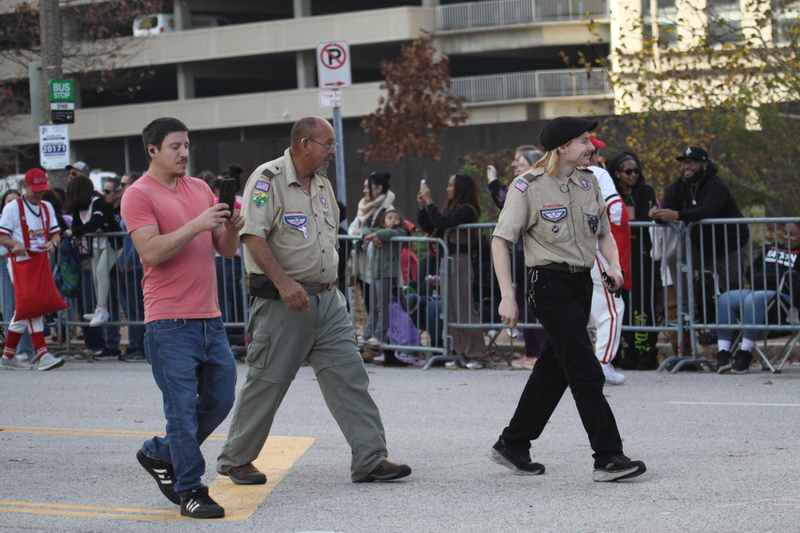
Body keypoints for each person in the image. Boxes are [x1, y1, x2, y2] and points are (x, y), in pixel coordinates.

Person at [216, 116, 410, 488]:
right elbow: (253, 236)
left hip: (327, 298)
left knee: (350, 377)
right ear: (304, 144)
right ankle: (237, 459)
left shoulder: (322, 185)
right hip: (282, 300)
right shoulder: (268, 179)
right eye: (328, 144)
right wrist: (285, 282)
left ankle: (370, 458)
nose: (332, 152)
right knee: (268, 381)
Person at [489, 116, 646, 482]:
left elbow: (604, 232)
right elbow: (501, 240)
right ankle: (608, 456)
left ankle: (513, 443)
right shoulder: (528, 187)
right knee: (585, 369)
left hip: (579, 283)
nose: (590, 146)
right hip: (548, 283)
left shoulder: (589, 181)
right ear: (562, 148)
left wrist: (615, 265)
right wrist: (507, 296)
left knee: (553, 369)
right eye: (582, 140)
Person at [123, 117, 244, 519]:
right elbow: (152, 253)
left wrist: (231, 229)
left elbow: (224, 251)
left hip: (210, 316)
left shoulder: (200, 189)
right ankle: (190, 488)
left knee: (220, 398)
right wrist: (197, 225)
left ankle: (159, 453)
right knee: (181, 410)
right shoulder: (138, 195)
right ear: (153, 150)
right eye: (175, 146)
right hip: (168, 321)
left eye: (187, 145)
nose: (184, 153)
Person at [650, 146, 749, 291]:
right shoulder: (679, 185)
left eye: (692, 163)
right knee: (676, 261)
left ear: (704, 165)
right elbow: (668, 209)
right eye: (684, 163)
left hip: (729, 243)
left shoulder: (716, 185)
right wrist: (657, 215)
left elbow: (708, 211)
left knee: (729, 284)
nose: (686, 167)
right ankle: (686, 310)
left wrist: (678, 215)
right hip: (699, 242)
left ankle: (729, 312)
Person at [486, 146, 548, 370]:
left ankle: (540, 354)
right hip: (521, 255)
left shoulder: (535, 186)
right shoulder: (521, 186)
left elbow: (504, 200)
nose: (514, 166)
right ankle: (531, 352)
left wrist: (493, 182)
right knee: (524, 304)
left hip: (537, 255)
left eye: (519, 163)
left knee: (535, 307)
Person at [418, 173, 489, 369]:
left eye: (451, 186)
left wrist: (430, 201)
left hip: (460, 261)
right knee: (450, 308)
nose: (448, 189)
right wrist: (423, 207)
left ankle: (477, 354)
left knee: (463, 307)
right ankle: (459, 352)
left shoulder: (468, 210)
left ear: (460, 189)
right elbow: (431, 225)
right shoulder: (451, 208)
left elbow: (442, 222)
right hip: (446, 260)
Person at [0, 169, 65, 371]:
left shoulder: (47, 207)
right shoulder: (12, 208)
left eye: (42, 190)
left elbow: (56, 235)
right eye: (35, 190)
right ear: (25, 187)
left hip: (40, 261)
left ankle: (8, 355)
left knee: (26, 307)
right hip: (19, 262)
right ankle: (43, 354)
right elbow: (2, 236)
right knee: (31, 305)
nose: (39, 194)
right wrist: (14, 244)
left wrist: (53, 245)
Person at [715, 222, 800, 374]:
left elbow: (791, 279)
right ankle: (724, 353)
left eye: (792, 234)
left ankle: (745, 352)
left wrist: (762, 278)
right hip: (759, 291)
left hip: (783, 300)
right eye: (785, 233)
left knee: (755, 297)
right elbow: (751, 269)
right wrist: (760, 278)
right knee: (726, 298)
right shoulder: (771, 248)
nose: (786, 237)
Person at [608, 152, 661, 370]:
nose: (634, 175)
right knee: (621, 302)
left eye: (636, 171)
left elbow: (643, 218)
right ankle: (627, 349)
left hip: (641, 253)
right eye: (628, 171)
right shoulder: (612, 192)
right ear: (617, 174)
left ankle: (646, 350)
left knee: (642, 302)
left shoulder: (645, 191)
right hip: (618, 253)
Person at [587, 135, 631, 385]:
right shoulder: (598, 174)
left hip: (559, 252)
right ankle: (602, 363)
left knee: (578, 311)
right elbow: (616, 211)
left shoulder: (554, 174)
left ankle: (575, 365)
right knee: (612, 309)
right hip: (591, 250)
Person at [64, 175, 123, 328]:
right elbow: (77, 225)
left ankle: (102, 309)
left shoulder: (98, 203)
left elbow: (95, 222)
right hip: (96, 245)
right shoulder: (80, 208)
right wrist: (75, 234)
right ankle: (99, 308)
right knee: (96, 275)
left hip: (112, 244)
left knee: (102, 272)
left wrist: (75, 232)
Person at [359, 209, 410, 347]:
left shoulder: (399, 232)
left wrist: (373, 236)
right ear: (383, 221)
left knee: (383, 305)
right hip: (375, 273)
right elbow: (366, 230)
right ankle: (368, 333)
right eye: (389, 218)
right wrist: (371, 236)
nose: (393, 220)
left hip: (387, 273)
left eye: (396, 218)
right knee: (373, 305)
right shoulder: (377, 232)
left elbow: (389, 233)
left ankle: (379, 334)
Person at [347, 172, 395, 316]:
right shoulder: (363, 207)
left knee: (382, 306)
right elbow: (351, 229)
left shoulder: (389, 210)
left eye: (367, 187)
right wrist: (362, 234)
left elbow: (388, 232)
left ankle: (382, 337)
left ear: (378, 188)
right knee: (369, 304)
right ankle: (374, 335)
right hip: (364, 266)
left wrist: (364, 233)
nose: (364, 191)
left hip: (381, 267)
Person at [0, 190, 35, 362]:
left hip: (21, 262)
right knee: (9, 308)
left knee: (24, 306)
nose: (12, 204)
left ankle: (25, 350)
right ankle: (10, 352)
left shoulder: (25, 218)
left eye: (15, 201)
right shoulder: (4, 219)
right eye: (8, 201)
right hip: (4, 262)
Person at [117, 171, 146, 361]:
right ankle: (136, 345)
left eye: (123, 184)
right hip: (127, 264)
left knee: (137, 309)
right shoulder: (127, 201)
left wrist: (129, 260)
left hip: (134, 265)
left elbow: (138, 237)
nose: (120, 188)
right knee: (131, 309)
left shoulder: (136, 202)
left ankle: (139, 347)